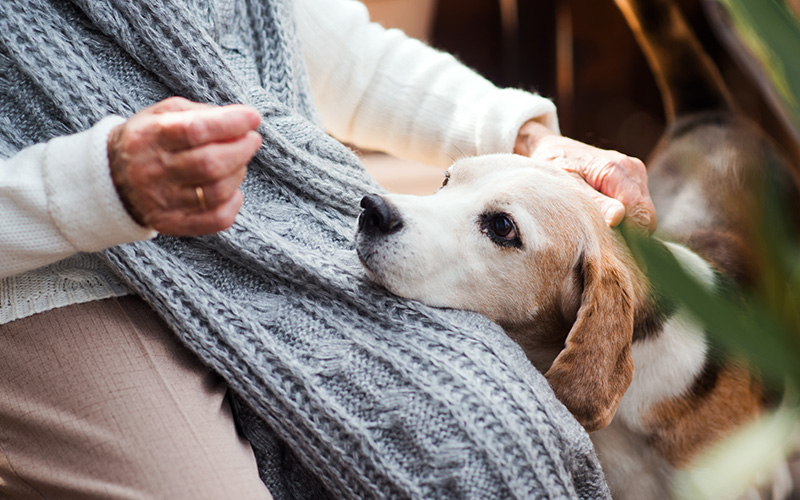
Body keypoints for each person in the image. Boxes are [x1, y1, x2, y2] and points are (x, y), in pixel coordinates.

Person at [0, 0, 655, 498]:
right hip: (55, 273)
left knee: (498, 435)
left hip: (282, 226)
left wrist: (528, 140)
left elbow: (348, 59)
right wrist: (95, 185)